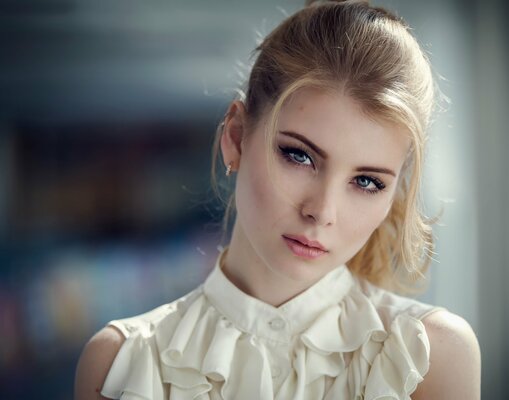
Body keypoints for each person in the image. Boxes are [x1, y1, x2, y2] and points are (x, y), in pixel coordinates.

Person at [74, 1, 481, 399]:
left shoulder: (429, 357)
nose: (321, 211)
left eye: (367, 181)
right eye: (299, 156)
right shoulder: (121, 365)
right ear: (236, 137)